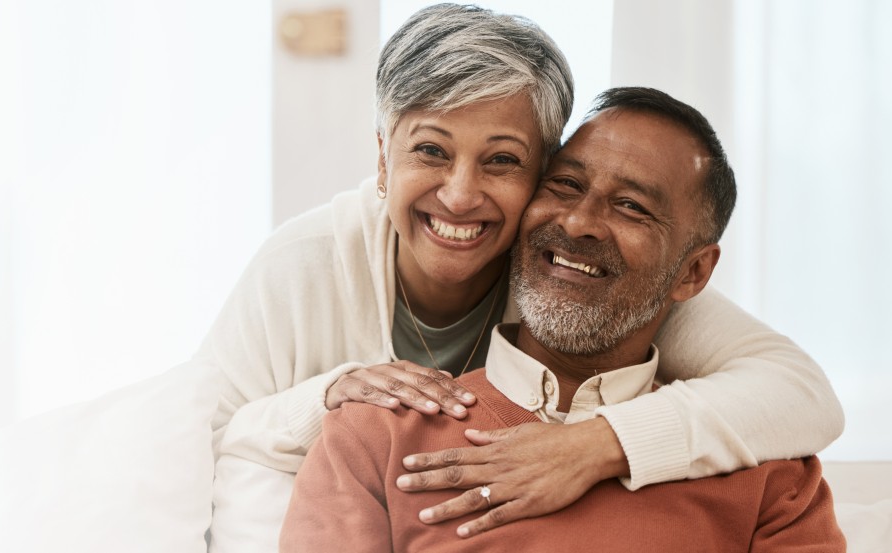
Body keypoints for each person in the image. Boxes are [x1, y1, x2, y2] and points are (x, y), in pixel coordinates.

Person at [201, 4, 842, 551]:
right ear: (381, 157)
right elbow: (205, 444)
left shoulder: (762, 464)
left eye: (502, 160)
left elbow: (800, 392)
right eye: (430, 149)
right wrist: (333, 396)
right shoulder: (327, 322)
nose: (459, 195)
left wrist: (594, 445)